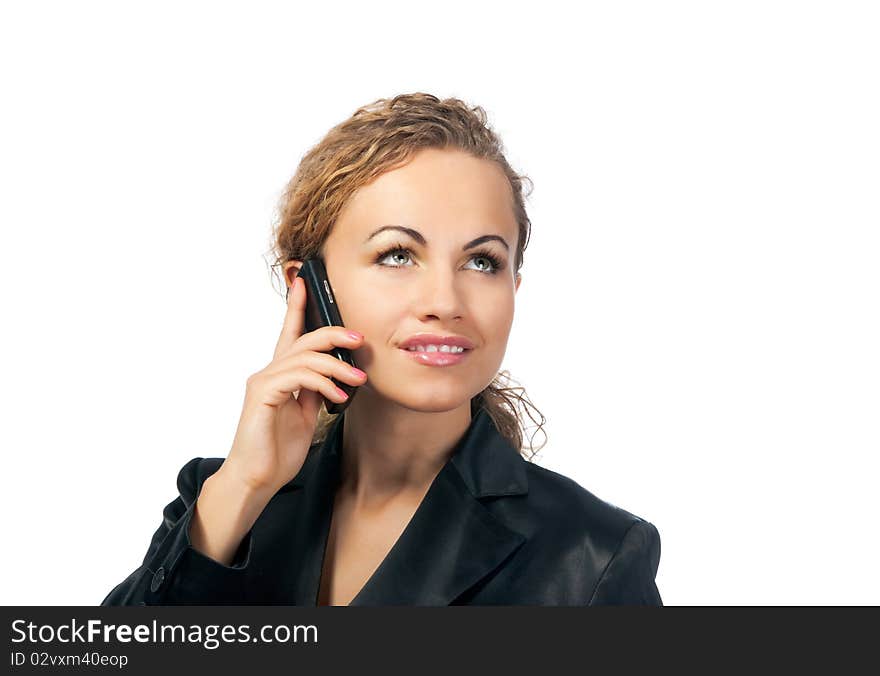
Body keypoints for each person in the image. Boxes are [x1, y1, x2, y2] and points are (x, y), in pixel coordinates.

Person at [101, 93, 663, 606]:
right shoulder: (221, 500)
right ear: (311, 288)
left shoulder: (593, 557)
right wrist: (246, 485)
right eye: (398, 255)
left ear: (513, 288)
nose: (445, 300)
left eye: (482, 261)